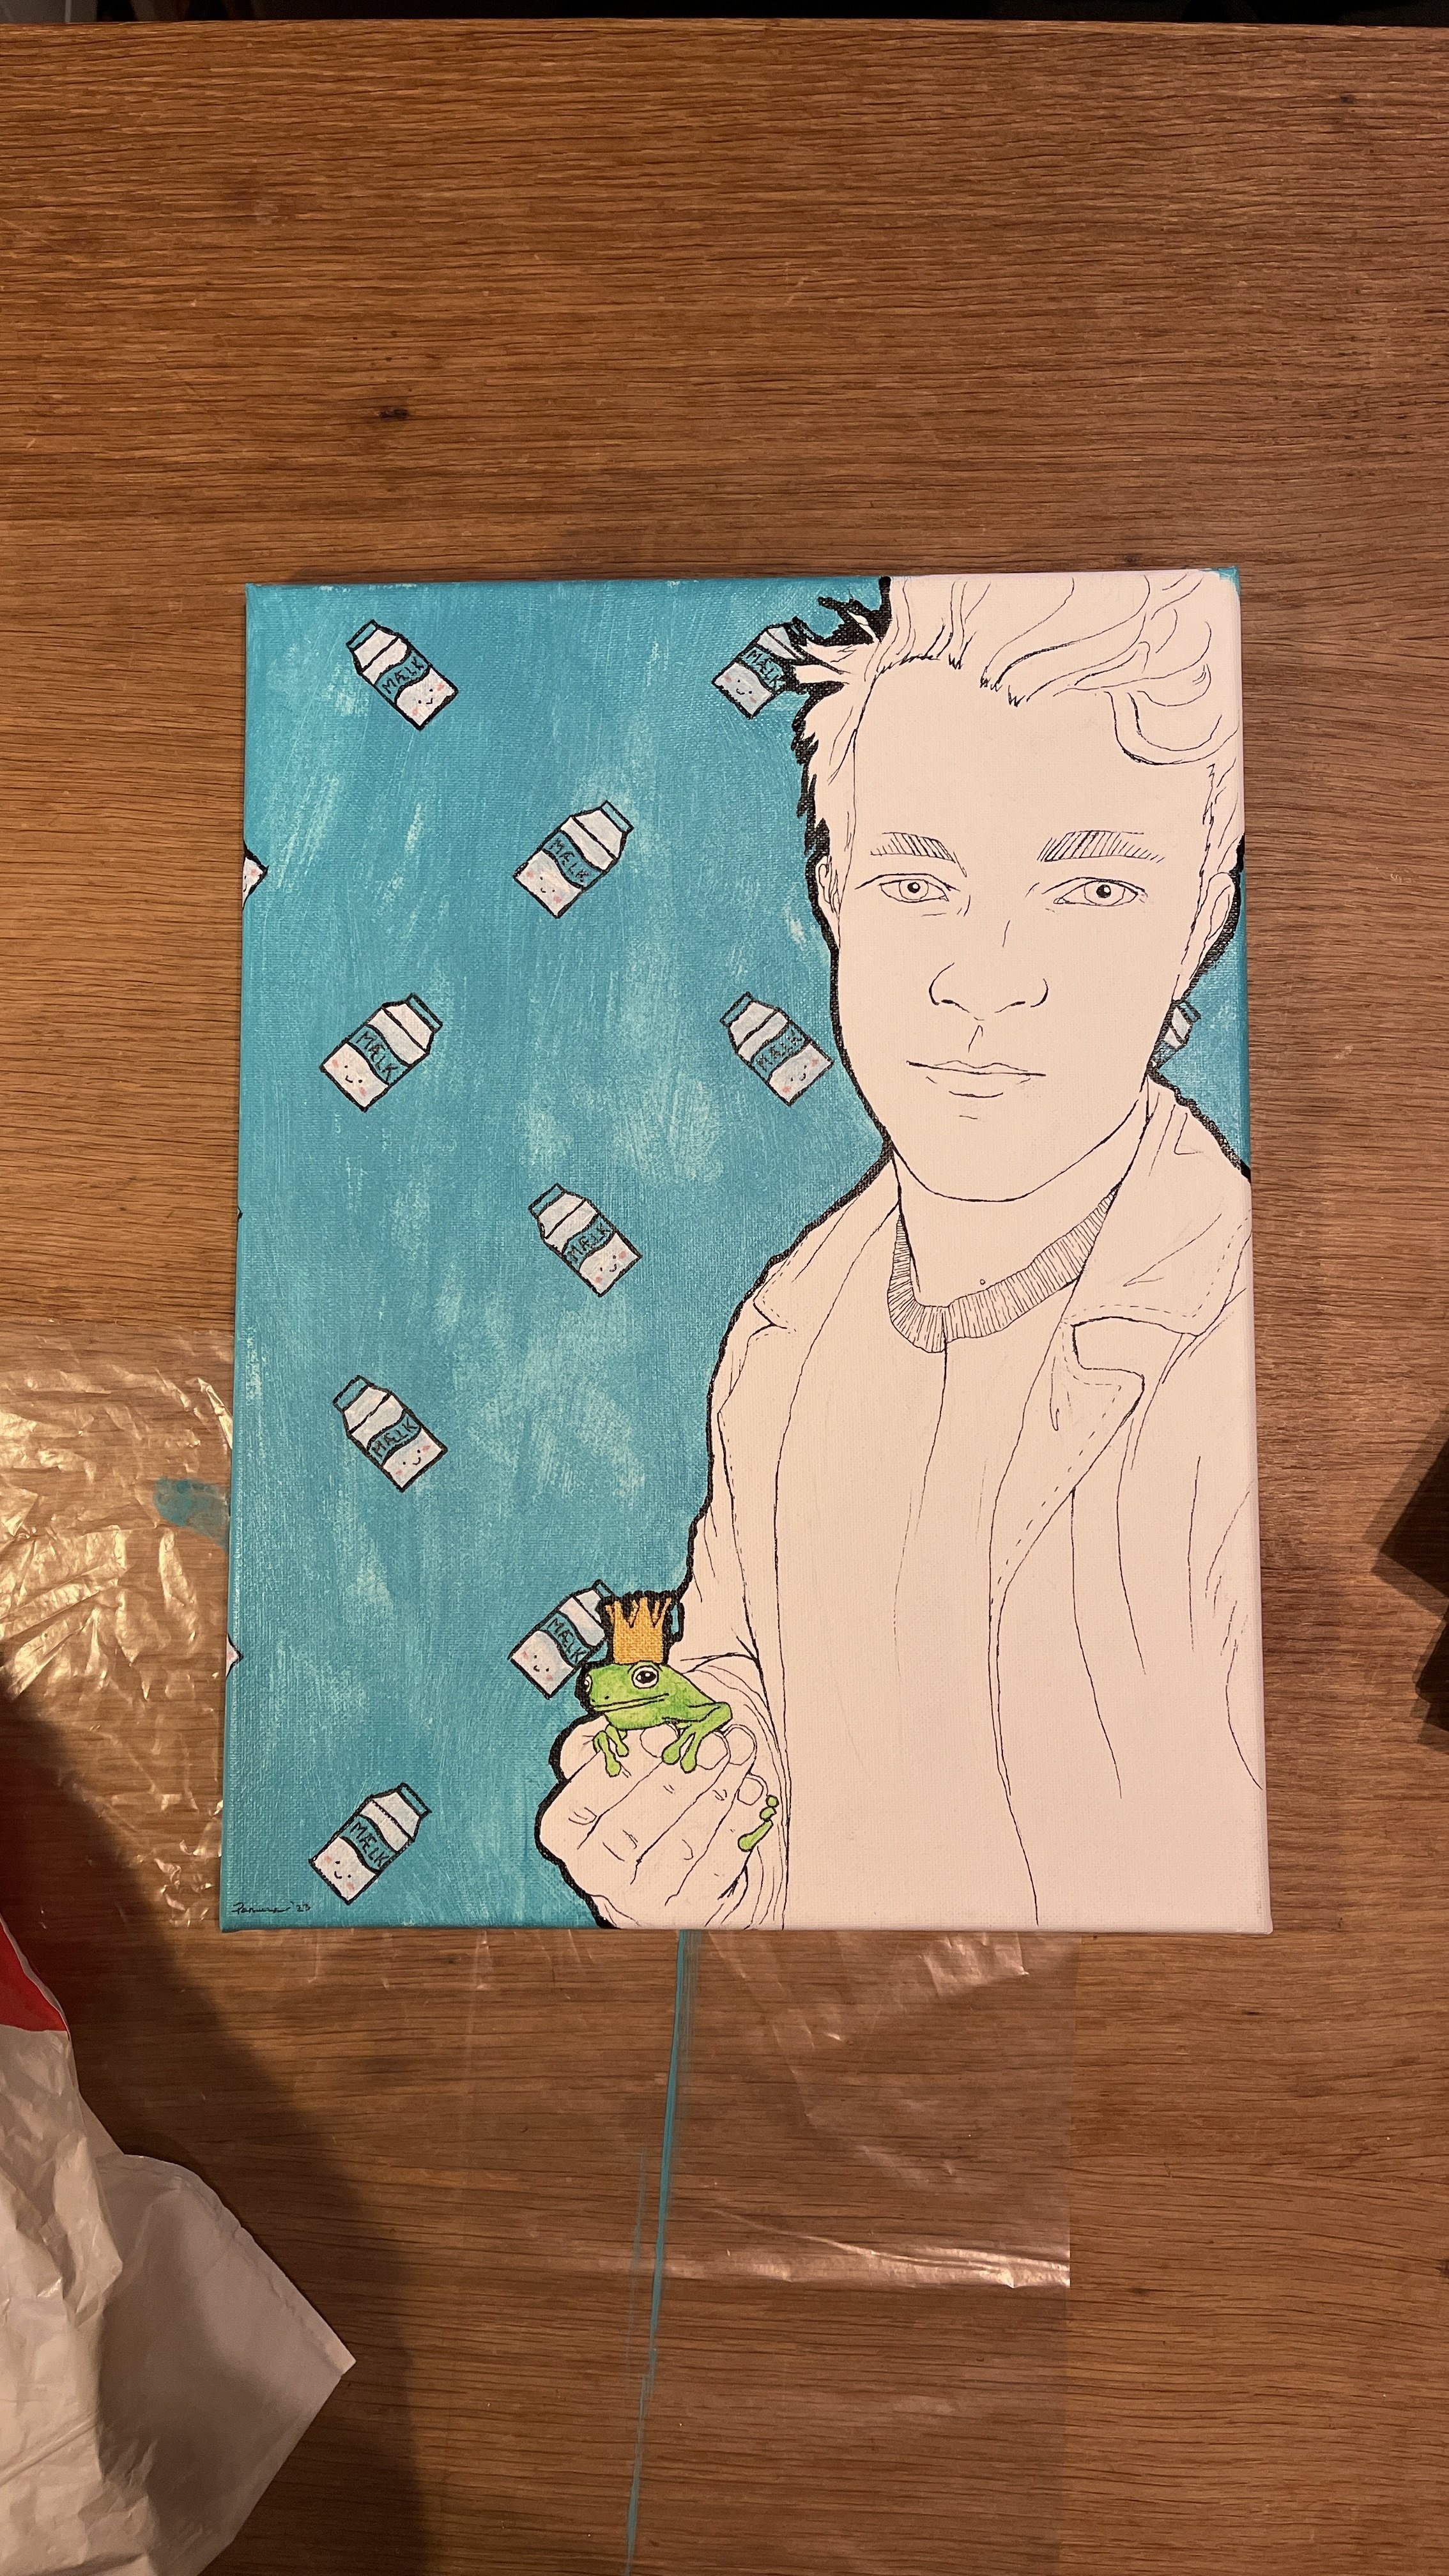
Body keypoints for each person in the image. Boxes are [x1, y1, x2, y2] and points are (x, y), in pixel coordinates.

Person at [539, 571, 1271, 1932]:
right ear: (833, 899)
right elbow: (755, 1721)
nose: (984, 975)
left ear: (1199, 924)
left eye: (1091, 887)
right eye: (919, 882)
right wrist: (677, 1840)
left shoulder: (1246, 1347)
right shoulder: (787, 1337)